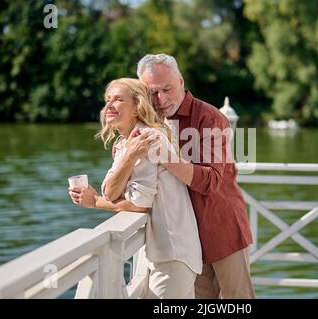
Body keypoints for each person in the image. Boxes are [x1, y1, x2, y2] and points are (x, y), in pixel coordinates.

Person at [105, 54, 255, 299]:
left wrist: (167, 158)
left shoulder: (210, 118)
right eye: (152, 92)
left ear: (181, 81)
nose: (161, 99)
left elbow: (211, 181)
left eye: (167, 89)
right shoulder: (148, 123)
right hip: (183, 240)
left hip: (221, 230)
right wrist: (124, 156)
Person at [68, 78, 202, 299]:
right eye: (107, 100)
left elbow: (138, 205)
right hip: (162, 251)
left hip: (174, 252)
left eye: (119, 99)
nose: (109, 105)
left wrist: (94, 202)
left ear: (137, 108)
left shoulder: (148, 139)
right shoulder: (125, 143)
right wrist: (128, 157)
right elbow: (112, 192)